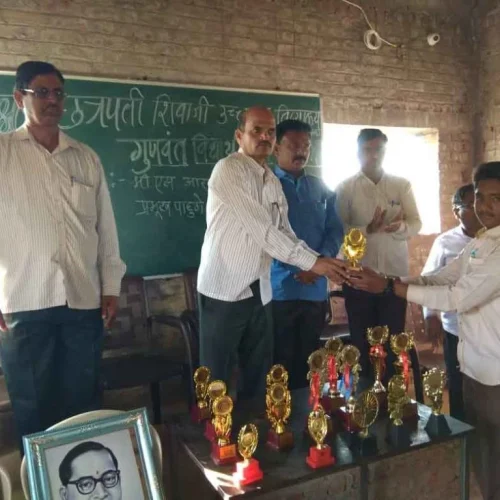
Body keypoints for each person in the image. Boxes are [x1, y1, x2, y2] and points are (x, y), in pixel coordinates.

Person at [348, 162, 500, 500]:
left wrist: (390, 288)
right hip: (474, 365)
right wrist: (390, 281)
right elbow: (443, 277)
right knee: (482, 451)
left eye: (497, 199)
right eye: (480, 197)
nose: (485, 206)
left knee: (495, 451)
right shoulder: (482, 241)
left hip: (495, 370)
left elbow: (457, 297)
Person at [0, 61, 126, 450]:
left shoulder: (85, 157)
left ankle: (85, 477)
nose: (52, 100)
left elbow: (106, 228)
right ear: (19, 98)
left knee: (83, 403)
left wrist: (110, 286)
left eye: (58, 93)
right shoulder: (3, 153)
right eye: (42, 92)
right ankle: (40, 480)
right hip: (24, 303)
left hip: (82, 301)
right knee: (32, 406)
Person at [197, 106, 348, 400]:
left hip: (261, 290)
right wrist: (313, 262)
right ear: (239, 136)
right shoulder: (229, 170)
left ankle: (256, 425)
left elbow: (284, 231)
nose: (264, 137)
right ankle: (215, 429)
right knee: (217, 376)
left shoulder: (270, 179)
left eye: (270, 132)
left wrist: (321, 261)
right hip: (224, 291)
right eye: (256, 130)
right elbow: (264, 232)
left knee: (259, 372)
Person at [335, 128, 422, 380]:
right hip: (358, 277)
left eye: (379, 150)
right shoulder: (346, 188)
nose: (373, 155)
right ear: (357, 151)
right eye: (367, 150)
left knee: (393, 342)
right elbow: (338, 231)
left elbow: (416, 223)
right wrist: (366, 230)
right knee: (362, 343)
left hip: (393, 278)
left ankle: (392, 394)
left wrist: (401, 227)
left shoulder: (401, 185)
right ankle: (365, 395)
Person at [271, 119, 343, 389]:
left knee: (311, 360)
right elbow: (267, 235)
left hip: (315, 289)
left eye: (306, 146)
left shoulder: (320, 186)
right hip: (280, 289)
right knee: (281, 362)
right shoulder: (267, 186)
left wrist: (319, 263)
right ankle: (282, 412)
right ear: (276, 148)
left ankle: (309, 410)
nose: (301, 151)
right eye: (293, 145)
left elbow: (335, 229)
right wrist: (302, 267)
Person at [422, 184, 482, 420]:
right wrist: (430, 315)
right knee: (458, 387)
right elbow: (429, 281)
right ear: (457, 211)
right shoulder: (445, 243)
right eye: (471, 205)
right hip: (456, 330)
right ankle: (461, 431)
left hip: (489, 331)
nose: (479, 210)